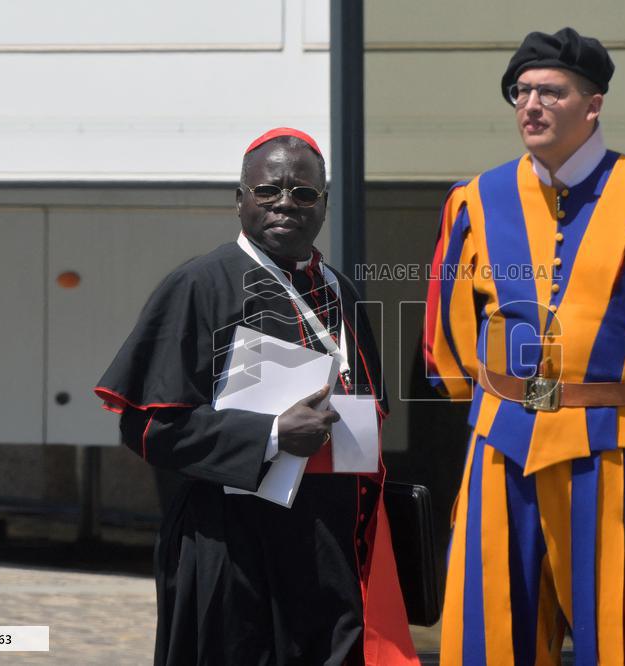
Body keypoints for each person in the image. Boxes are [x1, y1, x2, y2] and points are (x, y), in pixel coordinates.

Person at [423, 29, 625, 665]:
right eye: (521, 92)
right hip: (500, 447)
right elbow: (451, 332)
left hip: (614, 452)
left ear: (593, 104)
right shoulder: (477, 200)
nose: (531, 105)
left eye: (551, 92)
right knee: (493, 640)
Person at [95, 128, 418, 666]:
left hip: (331, 548)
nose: (285, 203)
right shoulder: (200, 284)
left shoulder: (340, 289)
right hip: (234, 548)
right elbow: (147, 427)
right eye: (268, 190)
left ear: (323, 204)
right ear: (240, 199)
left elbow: (367, 410)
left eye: (303, 193)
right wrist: (270, 435)